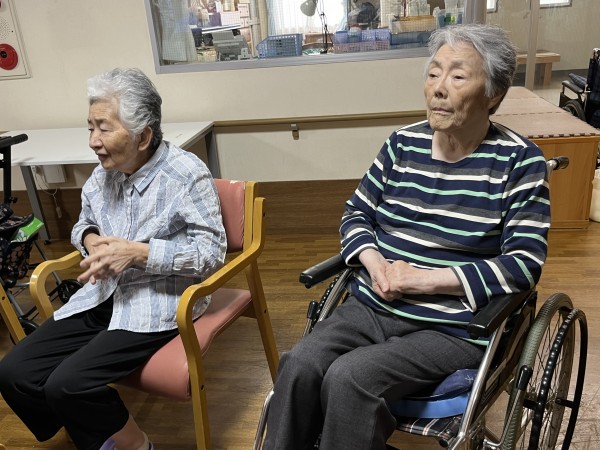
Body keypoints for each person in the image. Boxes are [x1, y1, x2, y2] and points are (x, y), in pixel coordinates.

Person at [263, 23, 551, 450]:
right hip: (373, 304)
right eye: (433, 73)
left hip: (451, 326)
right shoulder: (402, 145)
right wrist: (375, 263)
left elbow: (524, 264)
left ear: (493, 93)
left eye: (457, 76)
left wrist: (422, 280)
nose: (438, 88)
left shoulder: (520, 162)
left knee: (350, 377)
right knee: (299, 364)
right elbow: (356, 214)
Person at [0, 68, 227, 450]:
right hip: (102, 294)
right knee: (14, 372)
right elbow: (83, 224)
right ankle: (92, 428)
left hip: (157, 301)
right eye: (90, 127)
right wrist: (91, 240)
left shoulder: (186, 175)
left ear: (144, 136)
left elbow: (211, 254)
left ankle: (136, 444)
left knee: (67, 383)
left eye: (104, 128)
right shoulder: (103, 175)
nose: (93, 141)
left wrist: (138, 253)